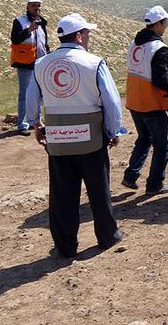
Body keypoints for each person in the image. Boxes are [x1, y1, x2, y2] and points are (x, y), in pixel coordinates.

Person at [25, 13, 125, 256]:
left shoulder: (41, 64)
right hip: (90, 139)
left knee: (62, 195)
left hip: (58, 139)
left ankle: (65, 245)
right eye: (87, 33)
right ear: (79, 36)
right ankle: (107, 236)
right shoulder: (95, 63)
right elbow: (111, 102)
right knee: (99, 191)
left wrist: (36, 125)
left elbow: (31, 98)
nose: (89, 38)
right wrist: (113, 130)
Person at [121, 6, 168, 195]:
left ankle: (131, 176)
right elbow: (160, 80)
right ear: (157, 24)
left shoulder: (134, 43)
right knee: (161, 146)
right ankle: (155, 184)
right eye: (164, 23)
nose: (165, 27)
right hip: (151, 103)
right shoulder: (159, 48)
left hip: (134, 100)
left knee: (143, 139)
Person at [10, 0, 49, 135]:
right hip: (25, 63)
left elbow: (44, 42)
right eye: (33, 5)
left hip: (41, 62)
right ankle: (23, 124)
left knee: (39, 93)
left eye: (38, 5)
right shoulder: (19, 21)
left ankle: (36, 121)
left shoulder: (42, 22)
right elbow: (15, 39)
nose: (36, 8)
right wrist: (28, 30)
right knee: (25, 94)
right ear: (27, 6)